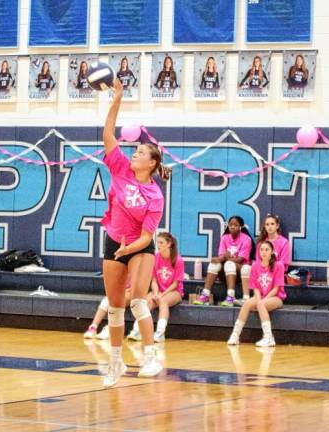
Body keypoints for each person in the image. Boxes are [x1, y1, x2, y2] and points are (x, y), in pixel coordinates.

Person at [100, 78, 171, 387]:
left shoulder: (155, 195)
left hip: (139, 247)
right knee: (114, 306)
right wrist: (117, 97)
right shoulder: (119, 168)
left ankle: (150, 355)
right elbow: (107, 133)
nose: (135, 153)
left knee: (138, 301)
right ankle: (115, 362)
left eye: (141, 152)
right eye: (136, 150)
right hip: (114, 242)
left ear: (152, 163)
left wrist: (129, 250)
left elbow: (146, 237)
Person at [127, 232, 184, 343]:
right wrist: (156, 293)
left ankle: (160, 333)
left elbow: (176, 284)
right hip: (158, 290)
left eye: (161, 242)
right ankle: (137, 331)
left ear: (169, 244)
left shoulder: (178, 260)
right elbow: (153, 280)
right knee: (146, 301)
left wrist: (162, 295)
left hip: (174, 291)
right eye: (157, 242)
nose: (158, 245)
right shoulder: (155, 258)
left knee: (163, 301)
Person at [228, 240, 286, 347]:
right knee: (247, 303)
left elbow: (276, 289)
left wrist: (262, 301)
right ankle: (235, 335)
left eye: (267, 249)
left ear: (272, 251)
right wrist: (259, 300)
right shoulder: (255, 265)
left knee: (261, 304)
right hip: (261, 296)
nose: (264, 252)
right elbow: (255, 288)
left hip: (276, 297)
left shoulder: (279, 265)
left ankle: (269, 337)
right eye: (262, 250)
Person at [194, 216, 253, 307]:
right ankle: (205, 295)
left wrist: (226, 258)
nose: (232, 227)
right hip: (226, 271)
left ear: (241, 227)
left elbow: (240, 260)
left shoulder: (246, 239)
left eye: (235, 225)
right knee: (214, 265)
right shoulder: (225, 238)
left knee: (229, 264)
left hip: (239, 271)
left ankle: (230, 297)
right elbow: (222, 256)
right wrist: (217, 259)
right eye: (230, 225)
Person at [239, 214, 291, 304]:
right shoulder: (261, 244)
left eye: (272, 224)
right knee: (246, 268)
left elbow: (283, 265)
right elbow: (259, 262)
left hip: (274, 273)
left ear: (277, 226)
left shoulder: (284, 242)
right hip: (261, 272)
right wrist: (262, 271)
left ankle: (262, 299)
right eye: (267, 224)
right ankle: (246, 298)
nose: (269, 227)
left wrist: (269, 268)